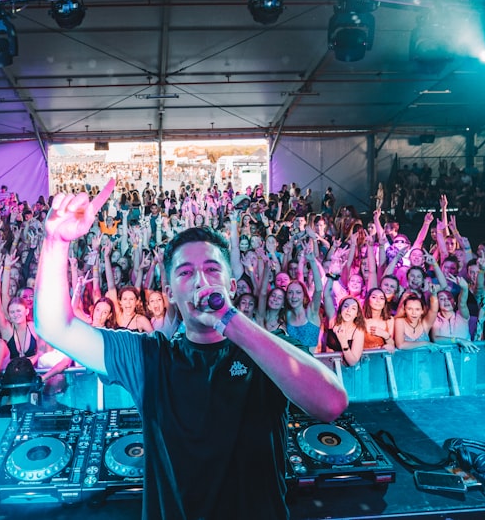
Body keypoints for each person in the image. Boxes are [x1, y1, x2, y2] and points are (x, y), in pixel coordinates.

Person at [35, 179, 347, 520]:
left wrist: (229, 318)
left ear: (230, 284)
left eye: (212, 270)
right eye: (186, 273)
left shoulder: (268, 351)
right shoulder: (150, 358)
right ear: (170, 292)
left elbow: (331, 404)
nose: (201, 281)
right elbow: (57, 327)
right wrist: (55, 243)